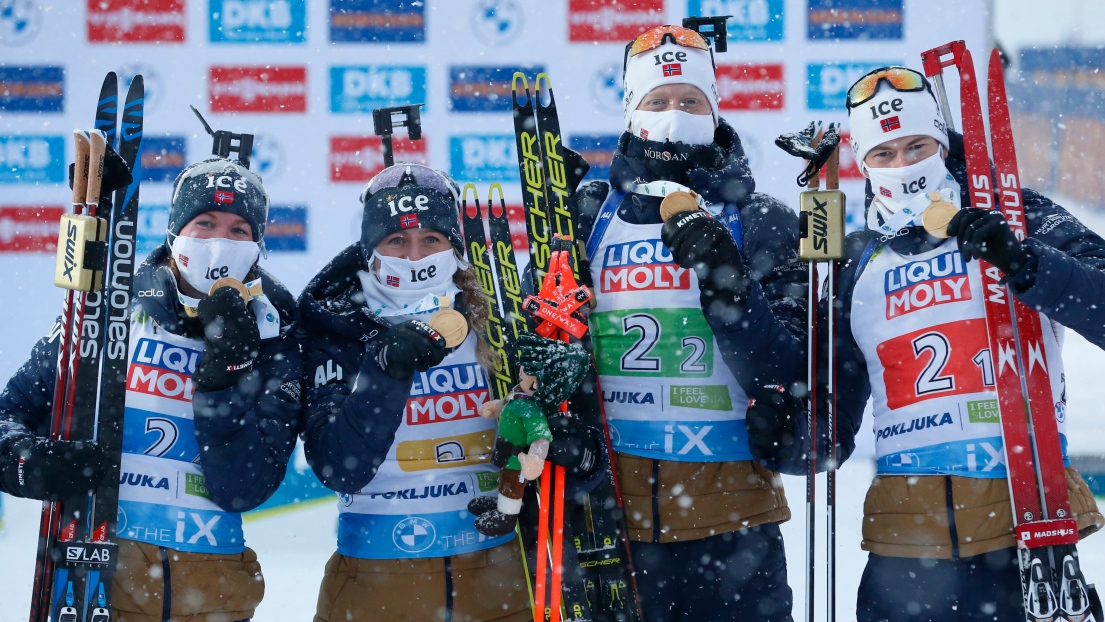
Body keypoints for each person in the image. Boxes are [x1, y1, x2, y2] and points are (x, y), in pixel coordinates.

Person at [827, 66, 1105, 621]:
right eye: (884, 154)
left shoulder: (1013, 213)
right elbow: (824, 427)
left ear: (942, 141)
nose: (904, 165)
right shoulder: (852, 256)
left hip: (1026, 525)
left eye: (917, 146)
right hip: (906, 542)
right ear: (863, 161)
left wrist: (1026, 261)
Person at [570, 24, 808, 621]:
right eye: (657, 101)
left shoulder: (762, 220)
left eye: (690, 101)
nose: (674, 115)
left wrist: (726, 282)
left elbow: (788, 369)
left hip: (732, 525)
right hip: (607, 520)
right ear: (630, 111)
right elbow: (536, 343)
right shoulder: (588, 215)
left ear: (715, 108)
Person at [0, 155, 301, 621]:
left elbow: (247, 487)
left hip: (213, 592)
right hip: (97, 580)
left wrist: (223, 378)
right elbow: (10, 412)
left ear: (258, 245)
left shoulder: (274, 330)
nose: (221, 242)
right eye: (205, 223)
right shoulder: (111, 309)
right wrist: (22, 462)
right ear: (175, 233)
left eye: (239, 230)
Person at [299, 163, 600, 622]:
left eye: (431, 239)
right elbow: (338, 466)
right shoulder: (337, 329)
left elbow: (563, 445)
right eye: (396, 240)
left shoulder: (498, 322)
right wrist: (385, 371)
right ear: (370, 250)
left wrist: (574, 450)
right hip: (374, 576)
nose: (415, 255)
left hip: (500, 571)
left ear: (456, 248)